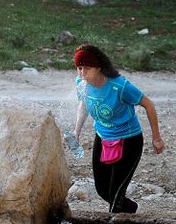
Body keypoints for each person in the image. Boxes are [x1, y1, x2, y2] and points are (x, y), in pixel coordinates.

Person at [71, 44, 165, 213]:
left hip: (129, 141)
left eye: (87, 68)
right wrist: (76, 132)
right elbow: (83, 104)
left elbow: (149, 105)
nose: (82, 73)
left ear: (99, 67)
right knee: (102, 190)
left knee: (116, 195)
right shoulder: (82, 83)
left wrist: (156, 138)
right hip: (102, 137)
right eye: (79, 68)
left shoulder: (120, 86)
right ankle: (132, 209)